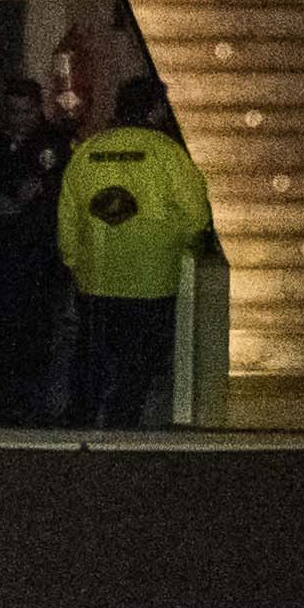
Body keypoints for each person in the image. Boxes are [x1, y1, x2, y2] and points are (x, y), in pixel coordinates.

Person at [55, 80, 210, 427]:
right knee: (137, 366)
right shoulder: (168, 153)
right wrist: (180, 247)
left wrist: (76, 263)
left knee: (91, 360)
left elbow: (68, 218)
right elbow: (195, 217)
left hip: (95, 279)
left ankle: (80, 426)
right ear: (155, 110)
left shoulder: (88, 150)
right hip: (152, 280)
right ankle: (122, 429)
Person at [0, 71, 76, 425]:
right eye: (13, 111)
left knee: (36, 332)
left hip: (38, 257)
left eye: (26, 111)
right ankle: (2, 404)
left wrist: (34, 197)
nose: (19, 119)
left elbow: (67, 194)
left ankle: (32, 404)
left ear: (38, 109)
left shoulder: (55, 144)